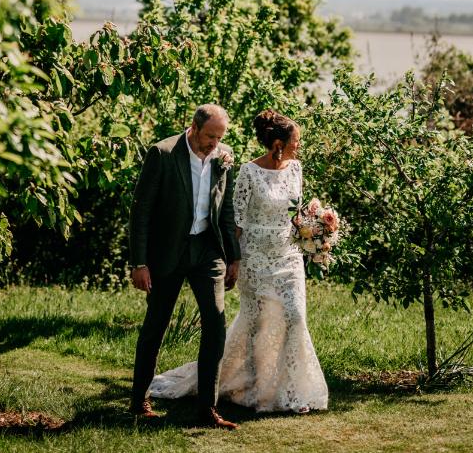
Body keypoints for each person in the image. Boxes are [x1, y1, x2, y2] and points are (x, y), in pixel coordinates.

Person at [149, 108, 328, 413]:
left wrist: (317, 228)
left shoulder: (296, 169)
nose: (299, 146)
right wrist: (234, 259)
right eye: (296, 141)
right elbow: (237, 220)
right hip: (256, 259)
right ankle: (255, 387)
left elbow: (295, 213)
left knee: (295, 317)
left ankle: (293, 392)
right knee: (257, 325)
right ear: (278, 144)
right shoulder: (248, 171)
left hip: (289, 257)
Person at [128, 104, 242, 429]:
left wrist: (233, 257)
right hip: (167, 252)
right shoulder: (163, 153)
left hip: (207, 249)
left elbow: (227, 207)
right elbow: (141, 211)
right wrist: (139, 262)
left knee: (216, 323)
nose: (214, 144)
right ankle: (139, 400)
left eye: (220, 137)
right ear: (193, 127)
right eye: (210, 136)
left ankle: (207, 408)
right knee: (156, 324)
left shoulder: (224, 157)